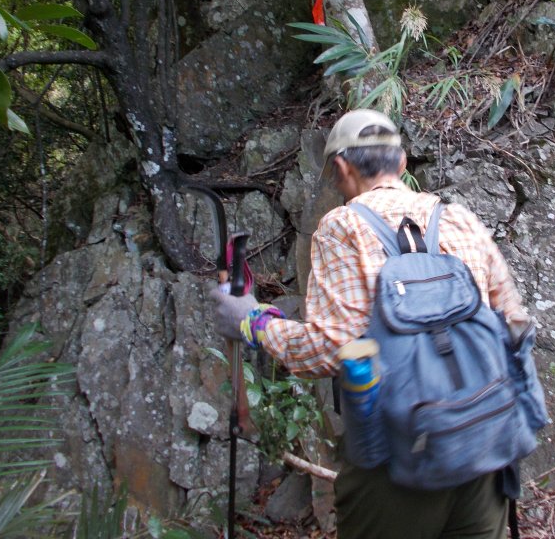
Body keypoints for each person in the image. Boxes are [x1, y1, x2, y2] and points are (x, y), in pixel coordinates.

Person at [209, 108, 534, 539]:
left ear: (341, 167)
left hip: (396, 461)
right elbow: (514, 323)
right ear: (401, 163)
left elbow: (331, 348)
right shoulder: (458, 218)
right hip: (485, 451)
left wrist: (254, 321)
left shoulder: (343, 226)